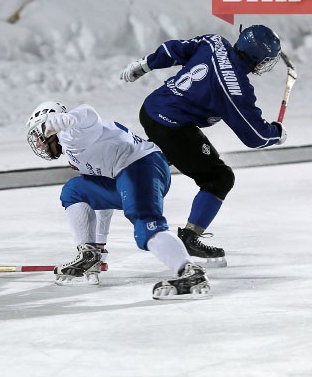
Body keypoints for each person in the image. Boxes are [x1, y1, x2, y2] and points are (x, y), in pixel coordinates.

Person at [120, 25, 287, 267]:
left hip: (151, 109)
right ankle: (189, 237)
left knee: (156, 158)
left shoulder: (214, 42)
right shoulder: (236, 87)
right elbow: (255, 136)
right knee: (219, 178)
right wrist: (276, 134)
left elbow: (173, 49)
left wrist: (145, 64)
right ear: (257, 58)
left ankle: (117, 174)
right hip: (173, 127)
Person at [26, 101, 211, 300]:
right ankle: (88, 255)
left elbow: (89, 113)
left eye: (39, 135)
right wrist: (98, 246)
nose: (38, 143)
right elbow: (102, 203)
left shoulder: (71, 135)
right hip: (129, 173)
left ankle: (190, 272)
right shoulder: (73, 152)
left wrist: (68, 119)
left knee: (146, 227)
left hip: (141, 167)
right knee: (74, 190)